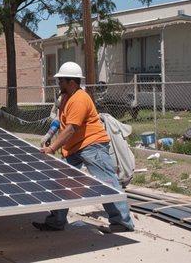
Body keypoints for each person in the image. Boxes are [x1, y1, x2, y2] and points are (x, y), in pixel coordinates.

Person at [33, 62, 134, 233]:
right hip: (73, 148)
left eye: (61, 80)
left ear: (71, 82)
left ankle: (122, 223)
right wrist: (49, 135)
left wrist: (52, 149)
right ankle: (56, 221)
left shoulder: (80, 99)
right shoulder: (65, 97)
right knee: (62, 183)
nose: (58, 83)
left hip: (92, 146)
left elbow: (72, 128)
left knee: (107, 183)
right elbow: (61, 119)